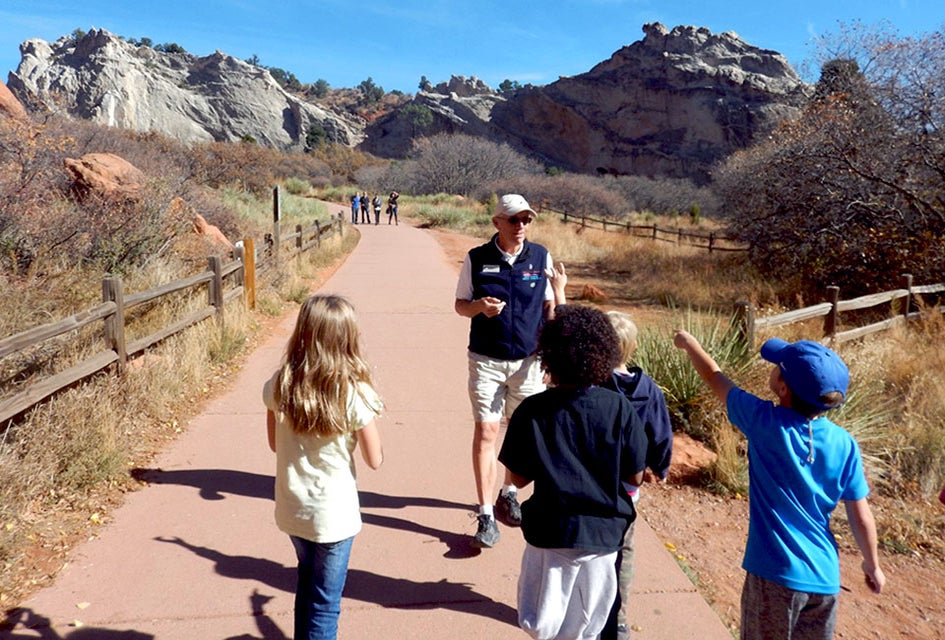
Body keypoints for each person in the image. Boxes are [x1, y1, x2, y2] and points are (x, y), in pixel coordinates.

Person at [673, 331, 885, 640]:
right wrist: (872, 563)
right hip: (825, 580)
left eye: (777, 368)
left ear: (782, 387)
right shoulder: (845, 443)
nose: (772, 369)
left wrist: (690, 345)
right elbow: (861, 515)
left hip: (775, 575)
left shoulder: (764, 423)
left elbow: (715, 378)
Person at [498, 305, 648, 640]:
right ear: (604, 354)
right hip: (603, 537)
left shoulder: (532, 410)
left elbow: (519, 478)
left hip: (550, 535)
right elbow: (635, 477)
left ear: (548, 357)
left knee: (543, 625)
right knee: (589, 628)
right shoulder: (619, 408)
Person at [263, 295, 384, 640]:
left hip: (293, 509)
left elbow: (274, 445)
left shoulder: (281, 383)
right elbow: (374, 460)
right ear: (348, 339)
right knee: (326, 603)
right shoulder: (353, 392)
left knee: (307, 582)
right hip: (334, 515)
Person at [454, 193, 566, 549]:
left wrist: (551, 354)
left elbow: (550, 306)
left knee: (522, 436)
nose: (521, 227)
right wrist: (478, 307)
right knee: (487, 432)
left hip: (529, 362)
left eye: (527, 220)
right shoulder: (477, 258)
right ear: (497, 222)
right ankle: (486, 514)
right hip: (486, 360)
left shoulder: (540, 257)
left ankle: (508, 492)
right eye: (514, 220)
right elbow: (459, 306)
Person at [600, 311, 673, 640]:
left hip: (593, 480)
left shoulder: (594, 384)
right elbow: (661, 435)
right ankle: (618, 618)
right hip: (629, 487)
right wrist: (660, 466)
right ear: (632, 347)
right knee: (623, 551)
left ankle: (586, 613)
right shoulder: (650, 390)